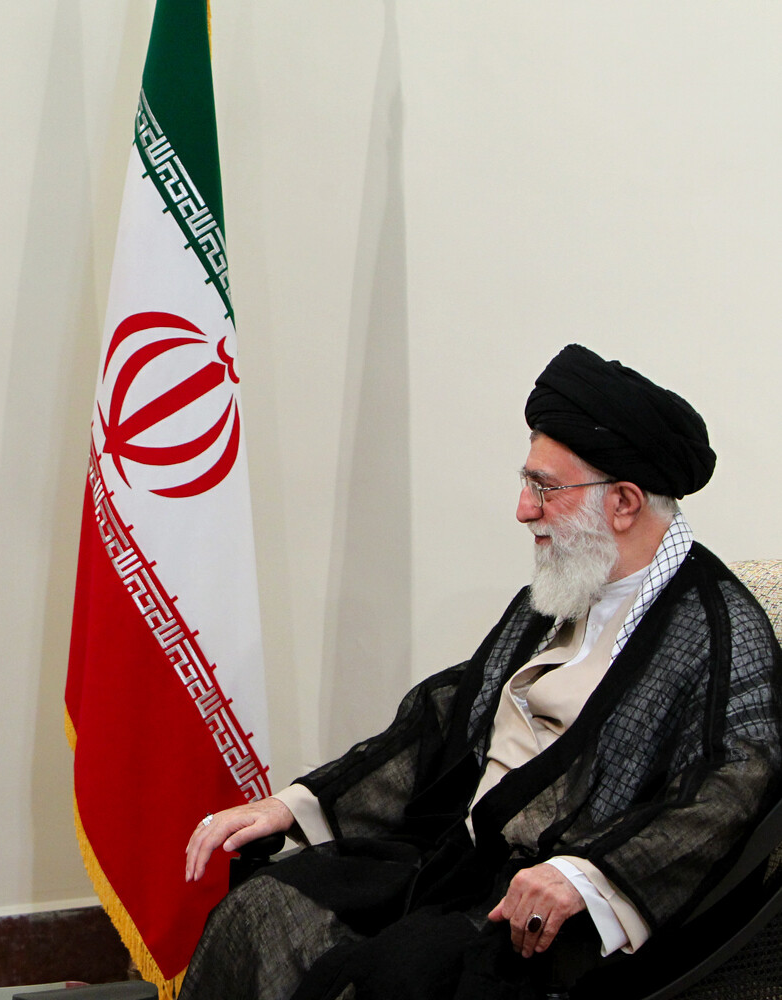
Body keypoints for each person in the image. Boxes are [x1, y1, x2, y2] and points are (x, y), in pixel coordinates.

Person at [179, 344, 782, 1000]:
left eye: (545, 488)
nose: (523, 508)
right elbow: (454, 711)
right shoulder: (563, 589)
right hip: (452, 860)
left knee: (392, 976)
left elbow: (738, 782)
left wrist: (584, 877)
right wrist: (297, 805)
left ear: (624, 503)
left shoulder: (717, 628)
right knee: (263, 909)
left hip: (542, 922)